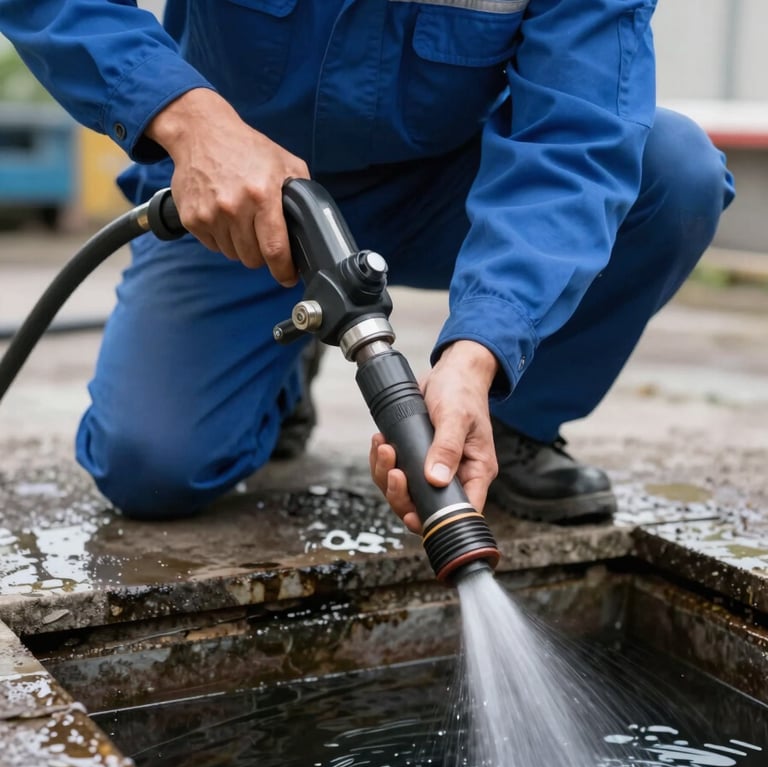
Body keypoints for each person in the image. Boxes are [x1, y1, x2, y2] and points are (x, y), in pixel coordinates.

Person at [1, 0, 733, 531]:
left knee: (671, 173)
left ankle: (507, 425)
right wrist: (190, 121)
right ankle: (285, 363)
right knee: (149, 466)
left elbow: (579, 137)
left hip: (450, 186)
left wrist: (479, 354)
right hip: (245, 196)